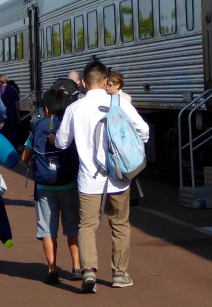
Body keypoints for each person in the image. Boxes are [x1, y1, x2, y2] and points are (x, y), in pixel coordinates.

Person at [55, 61, 149, 293]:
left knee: (86, 226)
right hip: (119, 178)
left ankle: (88, 272)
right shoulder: (120, 103)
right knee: (120, 225)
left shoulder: (74, 108)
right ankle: (119, 274)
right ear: (106, 81)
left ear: (84, 83)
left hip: (89, 179)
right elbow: (144, 132)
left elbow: (61, 142)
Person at [22, 87, 81, 285]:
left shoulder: (37, 127)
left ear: (46, 109)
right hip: (69, 184)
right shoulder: (68, 126)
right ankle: (76, 267)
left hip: (44, 186)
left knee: (47, 229)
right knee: (72, 227)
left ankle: (52, 269)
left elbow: (25, 157)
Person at [0, 75, 20, 146]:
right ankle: (14, 148)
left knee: (3, 132)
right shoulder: (13, 90)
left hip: (2, 114)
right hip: (12, 113)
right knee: (13, 132)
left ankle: (4, 148)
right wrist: (18, 115)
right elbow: (17, 104)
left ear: (0, 82)